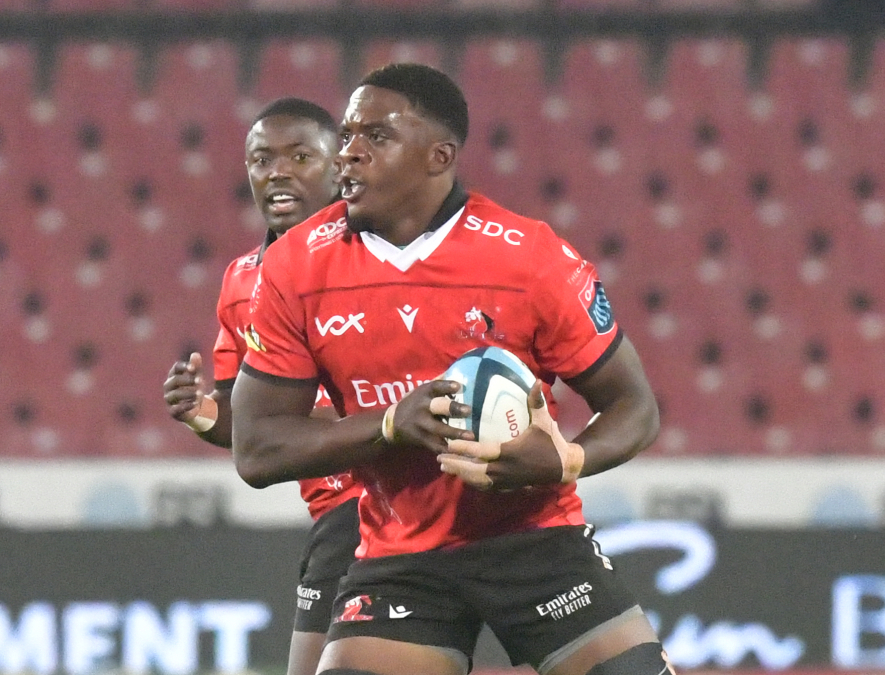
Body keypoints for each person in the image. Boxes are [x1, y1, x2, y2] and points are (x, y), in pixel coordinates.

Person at [231, 64, 668, 675]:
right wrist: (389, 425)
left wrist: (568, 459)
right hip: (400, 552)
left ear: (439, 156)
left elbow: (634, 406)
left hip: (534, 537)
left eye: (376, 136)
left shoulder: (530, 259)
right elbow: (256, 450)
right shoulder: (295, 267)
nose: (349, 153)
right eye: (348, 135)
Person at [161, 97, 363, 675]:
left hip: (387, 498)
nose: (277, 172)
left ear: (338, 167)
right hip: (334, 514)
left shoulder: (379, 258)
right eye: (261, 159)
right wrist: (203, 413)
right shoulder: (241, 281)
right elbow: (244, 419)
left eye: (300, 156)